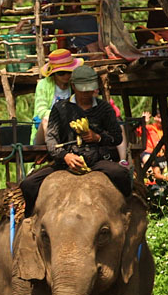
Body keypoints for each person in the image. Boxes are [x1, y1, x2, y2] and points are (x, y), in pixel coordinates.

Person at [21, 65, 132, 217]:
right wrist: (65, 156)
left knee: (121, 174)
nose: (86, 93)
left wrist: (98, 137)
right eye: (82, 90)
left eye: (89, 90)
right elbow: (51, 140)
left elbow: (117, 137)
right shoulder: (60, 108)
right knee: (28, 184)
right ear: (73, 86)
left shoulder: (104, 108)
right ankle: (31, 217)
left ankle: (126, 210)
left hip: (96, 160)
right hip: (65, 162)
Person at [32, 49, 81, 145]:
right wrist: (61, 115)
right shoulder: (43, 85)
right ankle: (55, 150)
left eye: (69, 72)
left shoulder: (74, 85)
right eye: (61, 73)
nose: (66, 76)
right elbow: (41, 111)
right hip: (45, 132)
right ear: (54, 73)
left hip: (69, 130)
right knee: (46, 120)